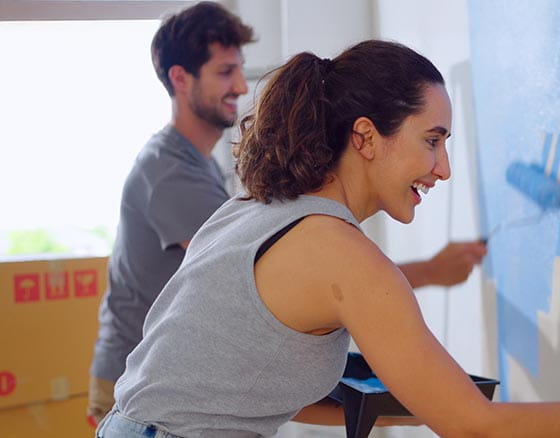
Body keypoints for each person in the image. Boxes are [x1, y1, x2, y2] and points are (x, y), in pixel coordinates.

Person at [97, 39, 560, 438]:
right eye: (432, 140)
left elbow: (240, 378)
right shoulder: (345, 258)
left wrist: (416, 400)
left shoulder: (254, 208)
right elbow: (473, 427)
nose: (444, 168)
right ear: (365, 137)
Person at [88, 2, 485, 427]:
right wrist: (431, 271)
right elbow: (320, 279)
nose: (240, 85)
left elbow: (264, 360)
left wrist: (422, 407)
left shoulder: (246, 199)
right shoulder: (174, 174)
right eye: (224, 71)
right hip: (149, 396)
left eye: (240, 69)